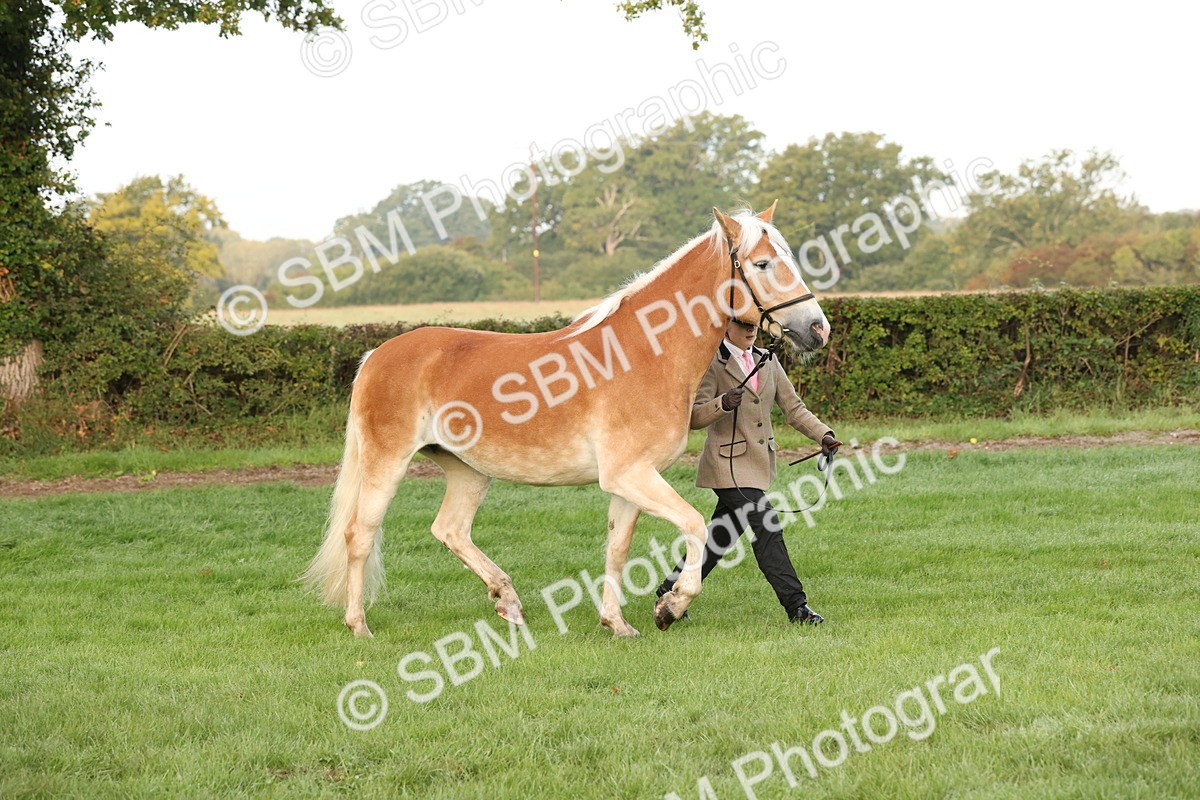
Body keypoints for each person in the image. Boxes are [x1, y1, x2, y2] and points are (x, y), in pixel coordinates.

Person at [655, 318, 839, 625]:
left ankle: (671, 591)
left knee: (720, 538)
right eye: (743, 324)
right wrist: (723, 403)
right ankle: (797, 607)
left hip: (757, 465)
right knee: (768, 527)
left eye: (753, 325)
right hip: (726, 466)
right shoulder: (712, 363)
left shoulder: (767, 359)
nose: (751, 330)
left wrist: (824, 435)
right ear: (727, 327)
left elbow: (793, 408)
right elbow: (694, 416)